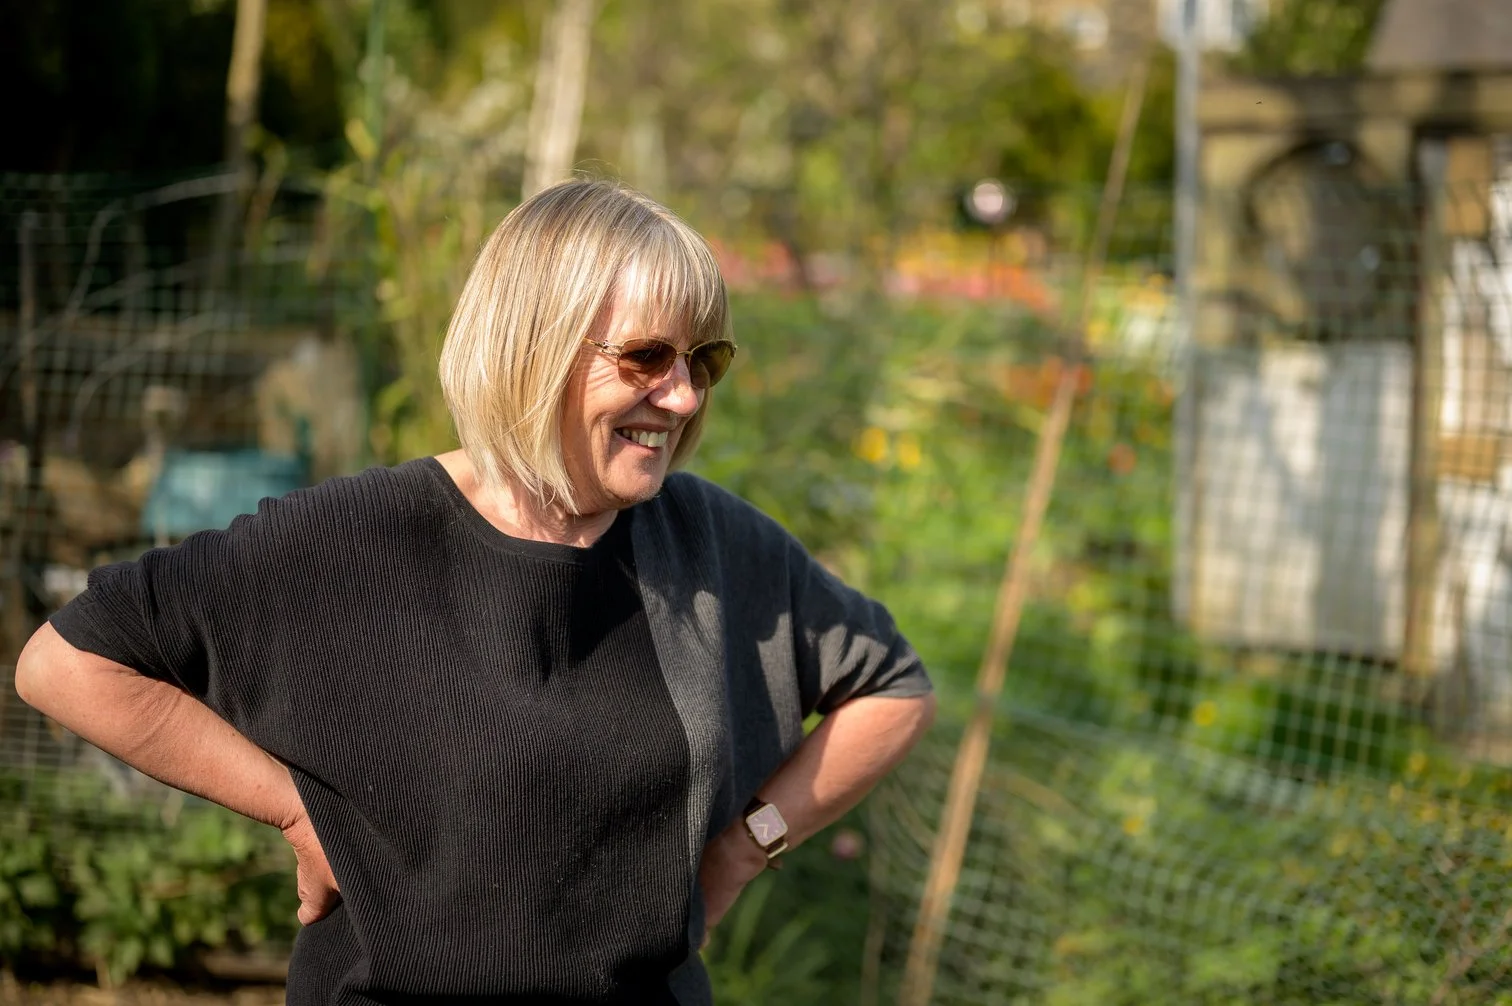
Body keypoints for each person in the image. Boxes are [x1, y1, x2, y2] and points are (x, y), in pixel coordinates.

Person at [15, 178, 935, 1005]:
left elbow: (894, 688)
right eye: (650, 357)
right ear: (533, 347)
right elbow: (66, 664)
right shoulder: (357, 538)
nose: (686, 396)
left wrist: (746, 844)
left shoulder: (713, 543)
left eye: (704, 361)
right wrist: (291, 806)